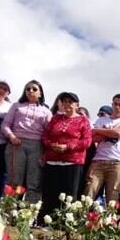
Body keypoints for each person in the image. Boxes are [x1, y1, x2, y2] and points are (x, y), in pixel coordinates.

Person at [39, 92, 91, 221]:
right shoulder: (56, 118)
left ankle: (64, 223)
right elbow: (45, 136)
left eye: (70, 102)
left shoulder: (83, 120)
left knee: (69, 195)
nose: (67, 104)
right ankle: (46, 221)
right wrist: (51, 145)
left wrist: (67, 147)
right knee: (50, 194)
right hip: (52, 161)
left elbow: (86, 141)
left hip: (72, 162)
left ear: (77, 105)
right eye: (65, 101)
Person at [1, 80, 50, 204]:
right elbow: (5, 124)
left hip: (37, 146)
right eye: (28, 89)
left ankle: (28, 214)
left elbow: (49, 132)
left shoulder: (46, 111)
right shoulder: (16, 106)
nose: (30, 91)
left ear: (40, 93)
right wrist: (11, 137)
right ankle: (9, 212)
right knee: (14, 181)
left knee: (34, 182)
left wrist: (45, 152)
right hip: (17, 144)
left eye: (34, 89)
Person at [85, 93, 120, 203]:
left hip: (117, 163)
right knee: (88, 193)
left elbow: (118, 133)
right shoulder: (101, 120)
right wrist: (110, 132)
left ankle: (110, 220)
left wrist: (98, 130)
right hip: (98, 161)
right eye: (115, 104)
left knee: (112, 198)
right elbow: (93, 138)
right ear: (112, 104)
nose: (117, 107)